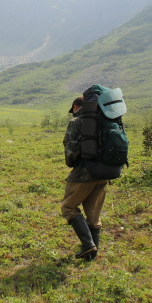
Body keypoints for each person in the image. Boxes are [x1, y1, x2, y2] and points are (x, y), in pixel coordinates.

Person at [62, 95, 108, 261]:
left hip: (83, 172)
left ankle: (88, 244)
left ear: (76, 106)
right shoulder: (105, 119)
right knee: (94, 215)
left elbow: (71, 148)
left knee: (68, 207)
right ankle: (92, 255)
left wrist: (71, 162)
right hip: (104, 172)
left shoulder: (77, 122)